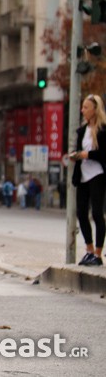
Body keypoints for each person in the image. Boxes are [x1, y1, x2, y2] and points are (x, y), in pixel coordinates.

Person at [70, 94, 106, 267]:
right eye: (82, 107)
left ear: (95, 110)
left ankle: (98, 254)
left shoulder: (103, 130)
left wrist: (88, 154)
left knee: (97, 213)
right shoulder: (82, 131)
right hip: (83, 175)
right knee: (81, 213)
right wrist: (76, 156)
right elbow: (79, 150)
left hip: (97, 174)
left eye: (86, 107)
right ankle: (89, 249)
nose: (82, 110)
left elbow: (103, 153)